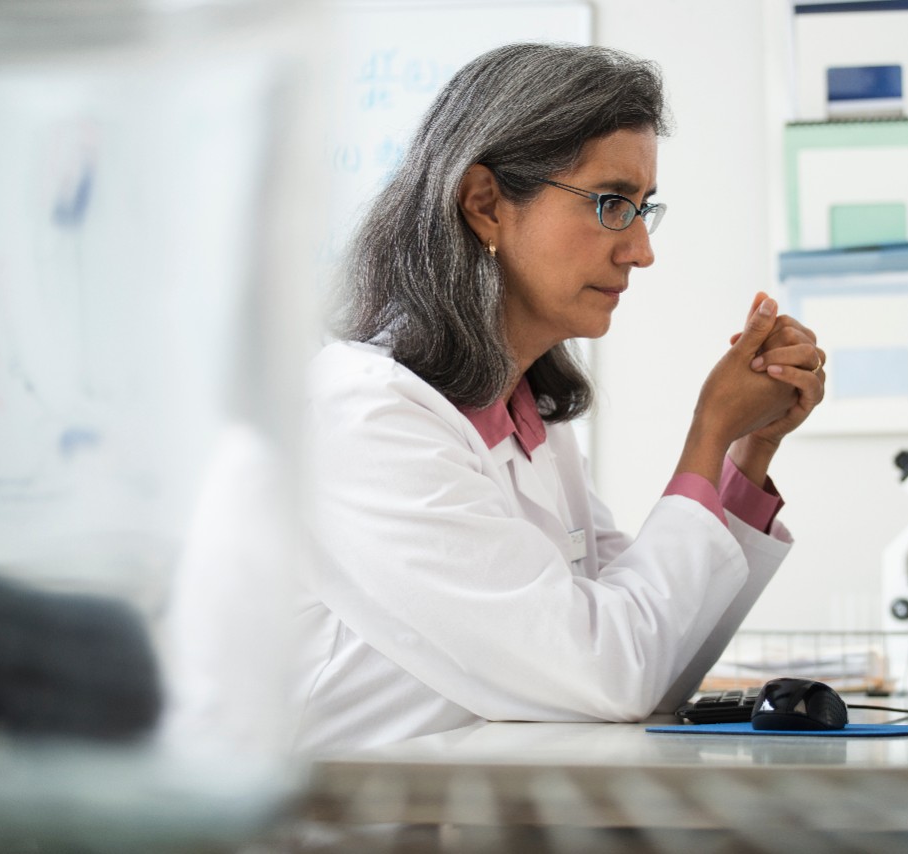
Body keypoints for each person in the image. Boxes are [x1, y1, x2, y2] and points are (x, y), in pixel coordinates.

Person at [292, 43, 826, 753]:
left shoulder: (527, 421)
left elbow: (656, 670)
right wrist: (706, 434)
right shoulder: (363, 417)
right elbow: (612, 677)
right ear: (485, 205)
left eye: (643, 209)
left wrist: (746, 451)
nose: (641, 250)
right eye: (611, 204)